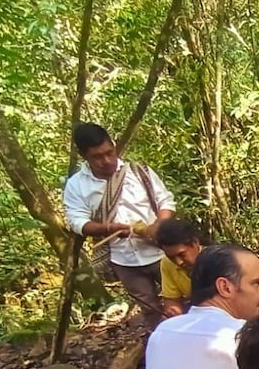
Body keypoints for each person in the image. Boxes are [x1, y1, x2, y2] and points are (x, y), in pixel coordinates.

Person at [62, 122, 175, 322]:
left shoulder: (139, 172)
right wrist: (108, 228)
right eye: (97, 157)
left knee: (182, 299)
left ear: (113, 145)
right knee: (151, 310)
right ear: (83, 155)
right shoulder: (77, 185)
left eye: (110, 152)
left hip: (162, 251)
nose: (106, 160)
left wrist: (159, 227)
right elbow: (77, 221)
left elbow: (165, 201)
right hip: (125, 260)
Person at [155, 218, 204, 318]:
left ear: (195, 243)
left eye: (182, 254)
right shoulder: (167, 263)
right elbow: (172, 300)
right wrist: (173, 312)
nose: (178, 262)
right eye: (171, 257)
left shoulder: (217, 260)